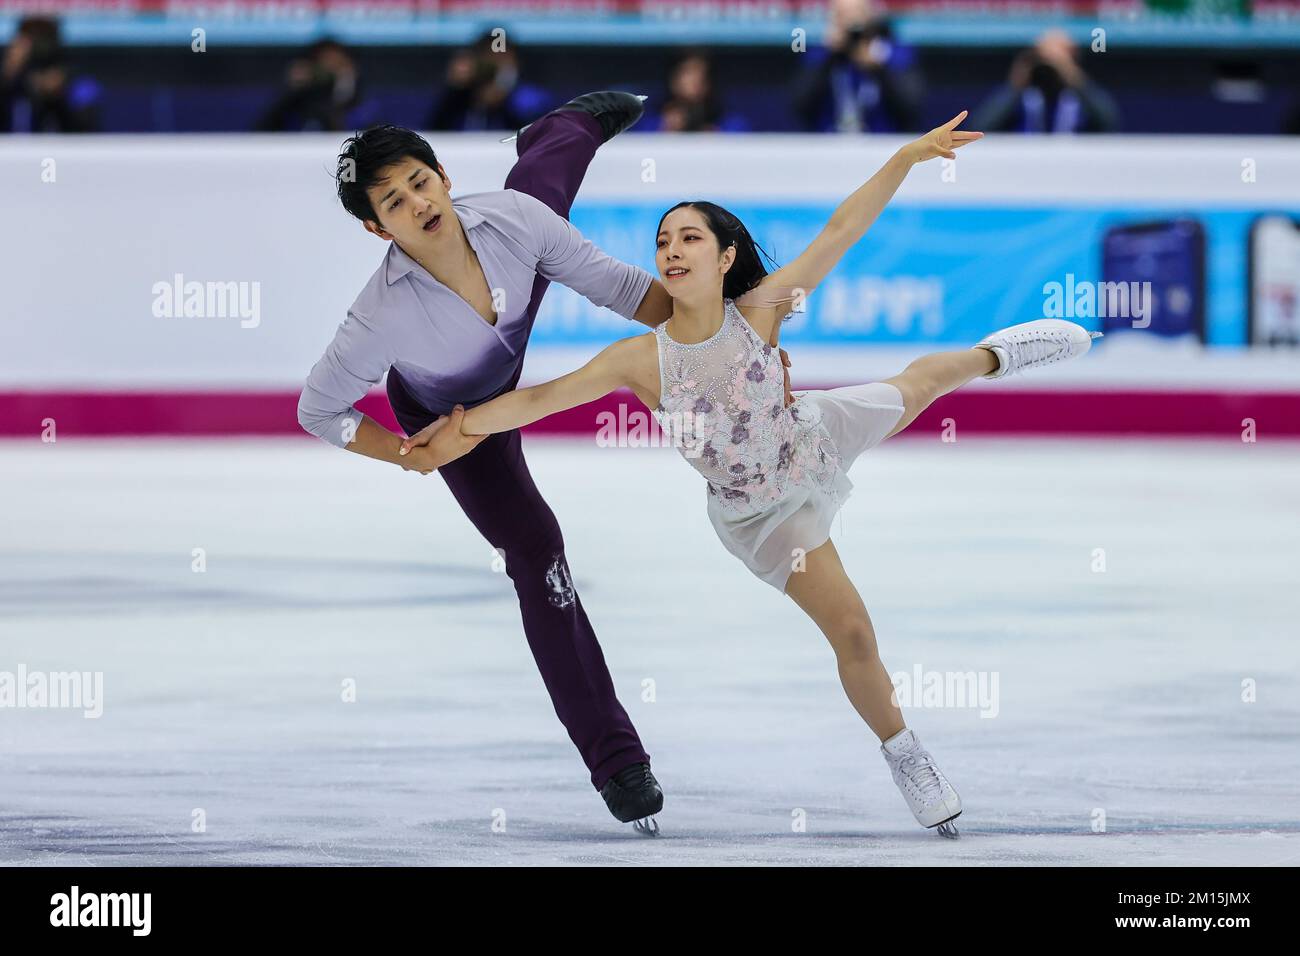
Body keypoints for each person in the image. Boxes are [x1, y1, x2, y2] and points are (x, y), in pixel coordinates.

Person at [407, 112, 1102, 837]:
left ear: (725, 255)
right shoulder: (639, 359)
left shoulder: (761, 312)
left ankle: (997, 356)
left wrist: (906, 156)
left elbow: (840, 232)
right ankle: (905, 751)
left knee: (925, 381)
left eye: (690, 237)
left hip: (809, 441)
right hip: (764, 518)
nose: (672, 250)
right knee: (854, 632)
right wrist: (451, 433)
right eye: (663, 240)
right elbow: (537, 400)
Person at [297, 93, 679, 832]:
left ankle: (566, 123)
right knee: (537, 550)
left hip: (515, 277)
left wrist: (715, 324)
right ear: (376, 227)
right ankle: (618, 762)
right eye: (393, 202)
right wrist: (407, 455)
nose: (416, 202)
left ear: (441, 173)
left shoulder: (510, 223)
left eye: (419, 181)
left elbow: (629, 292)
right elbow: (319, 411)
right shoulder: (379, 316)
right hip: (450, 419)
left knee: (543, 191)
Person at [973, 29, 1119, 134]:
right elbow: (982, 128)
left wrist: (1070, 74)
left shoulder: (1080, 100)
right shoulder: (1023, 98)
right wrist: (1017, 83)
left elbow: (1109, 122)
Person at [256, 39, 360, 132]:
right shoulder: (303, 97)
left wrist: (346, 81)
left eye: (337, 61)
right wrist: (294, 89)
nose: (330, 65)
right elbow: (266, 127)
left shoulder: (361, 96)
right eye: (325, 60)